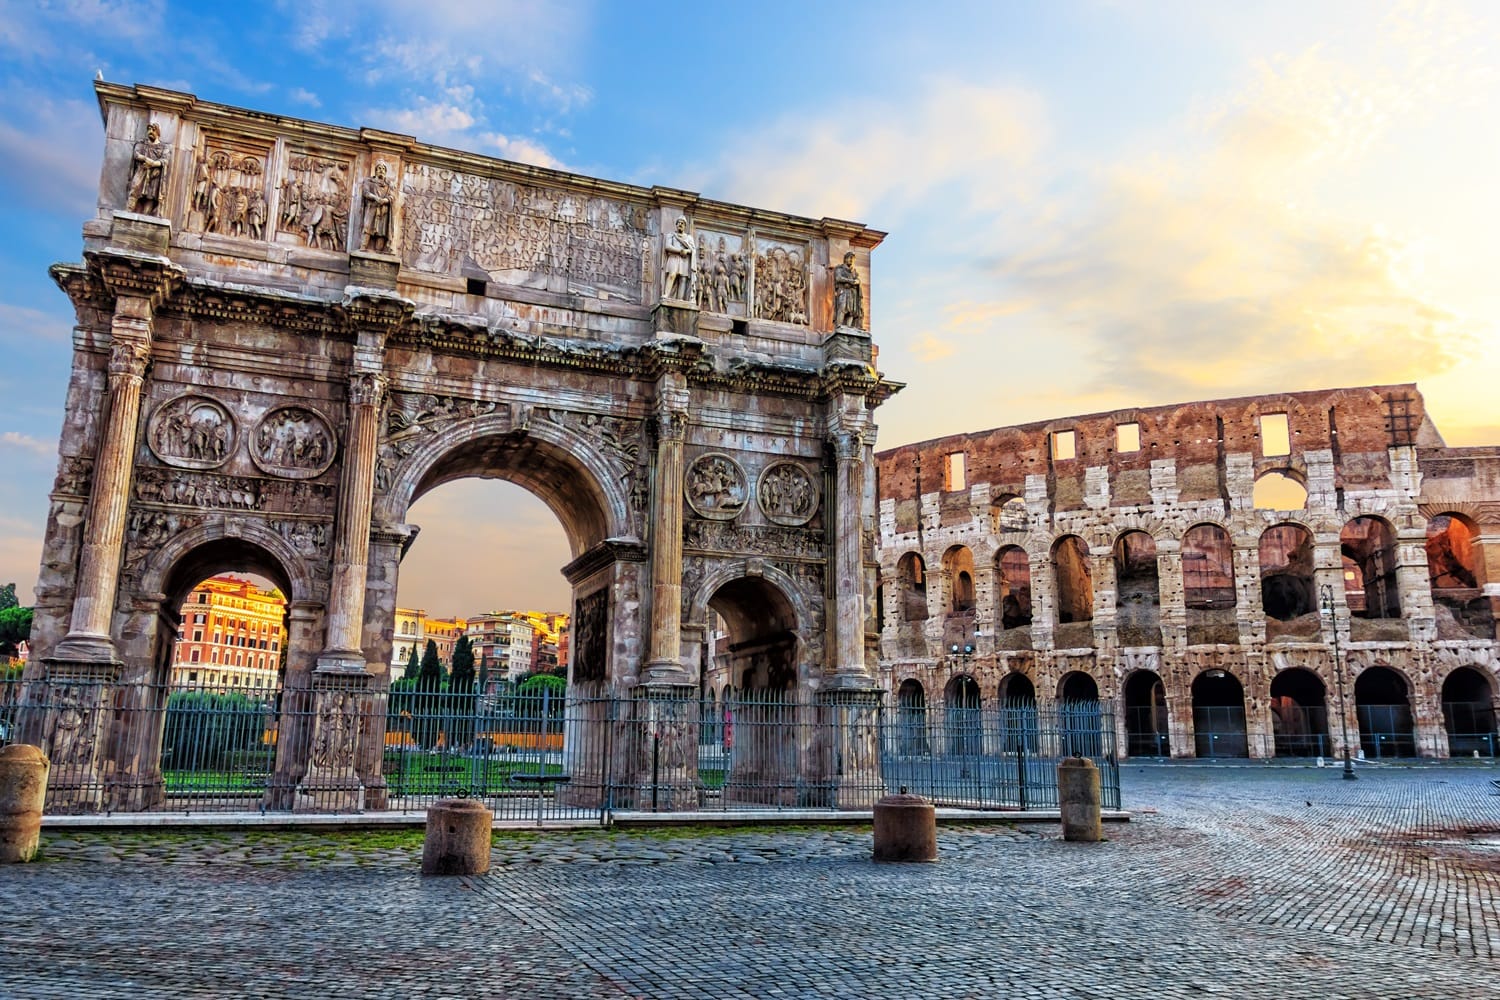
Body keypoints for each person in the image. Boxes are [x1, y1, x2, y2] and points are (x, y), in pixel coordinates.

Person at [126, 122, 169, 216]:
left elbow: (165, 160)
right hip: (142, 170)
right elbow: (136, 154)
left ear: (157, 132)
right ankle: (128, 212)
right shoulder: (141, 143)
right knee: (135, 189)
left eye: (153, 130)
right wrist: (146, 159)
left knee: (151, 195)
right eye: (149, 130)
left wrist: (153, 163)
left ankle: (146, 216)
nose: (150, 132)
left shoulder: (164, 147)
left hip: (154, 174)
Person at [359, 161, 394, 253]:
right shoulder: (369, 181)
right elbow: (365, 192)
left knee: (381, 232)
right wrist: (375, 198)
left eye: (383, 169)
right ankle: (363, 247)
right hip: (372, 207)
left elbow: (391, 196)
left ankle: (379, 251)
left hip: (383, 210)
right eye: (379, 168)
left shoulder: (388, 184)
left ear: (385, 171)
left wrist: (384, 200)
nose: (381, 170)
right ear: (375, 170)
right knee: (367, 227)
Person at [662, 217, 693, 300]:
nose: (680, 224)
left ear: (685, 226)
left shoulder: (689, 238)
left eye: (682, 223)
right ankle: (666, 294)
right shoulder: (671, 235)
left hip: (684, 260)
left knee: (683, 279)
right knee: (672, 275)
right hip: (673, 257)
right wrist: (680, 251)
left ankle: (680, 299)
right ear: (676, 225)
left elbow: (692, 249)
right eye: (678, 223)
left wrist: (687, 251)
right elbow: (668, 247)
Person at [832, 251, 864, 329]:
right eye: (849, 258)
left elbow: (858, 279)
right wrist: (850, 281)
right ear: (845, 259)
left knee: (852, 311)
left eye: (852, 259)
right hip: (843, 291)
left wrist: (857, 281)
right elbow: (838, 278)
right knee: (842, 307)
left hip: (853, 292)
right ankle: (839, 326)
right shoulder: (840, 268)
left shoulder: (854, 271)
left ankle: (849, 327)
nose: (851, 260)